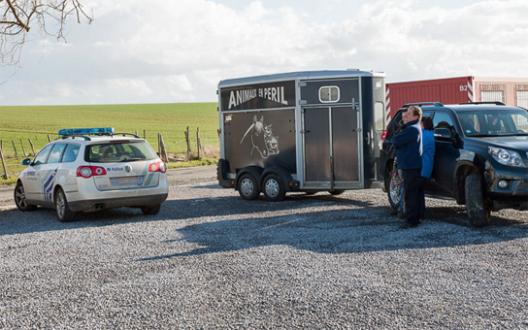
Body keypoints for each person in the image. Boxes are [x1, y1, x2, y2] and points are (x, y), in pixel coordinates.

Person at [390, 105, 423, 228]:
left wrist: (398, 131)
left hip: (411, 166)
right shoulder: (412, 127)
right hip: (412, 165)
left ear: (415, 116)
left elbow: (395, 140)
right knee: (414, 193)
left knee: (411, 194)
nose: (405, 116)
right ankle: (416, 218)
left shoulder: (412, 129)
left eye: (408, 114)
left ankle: (411, 220)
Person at [419, 116, 435, 220]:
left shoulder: (423, 136)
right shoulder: (431, 135)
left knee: (417, 193)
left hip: (421, 168)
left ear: (423, 124)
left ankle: (420, 214)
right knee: (420, 192)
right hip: (428, 167)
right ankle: (421, 213)